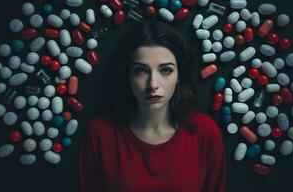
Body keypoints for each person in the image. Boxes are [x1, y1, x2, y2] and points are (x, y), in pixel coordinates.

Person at [79, 19, 226, 192]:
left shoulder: (205, 133)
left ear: (179, 75)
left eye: (165, 70)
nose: (153, 84)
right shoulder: (100, 134)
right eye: (141, 70)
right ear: (128, 75)